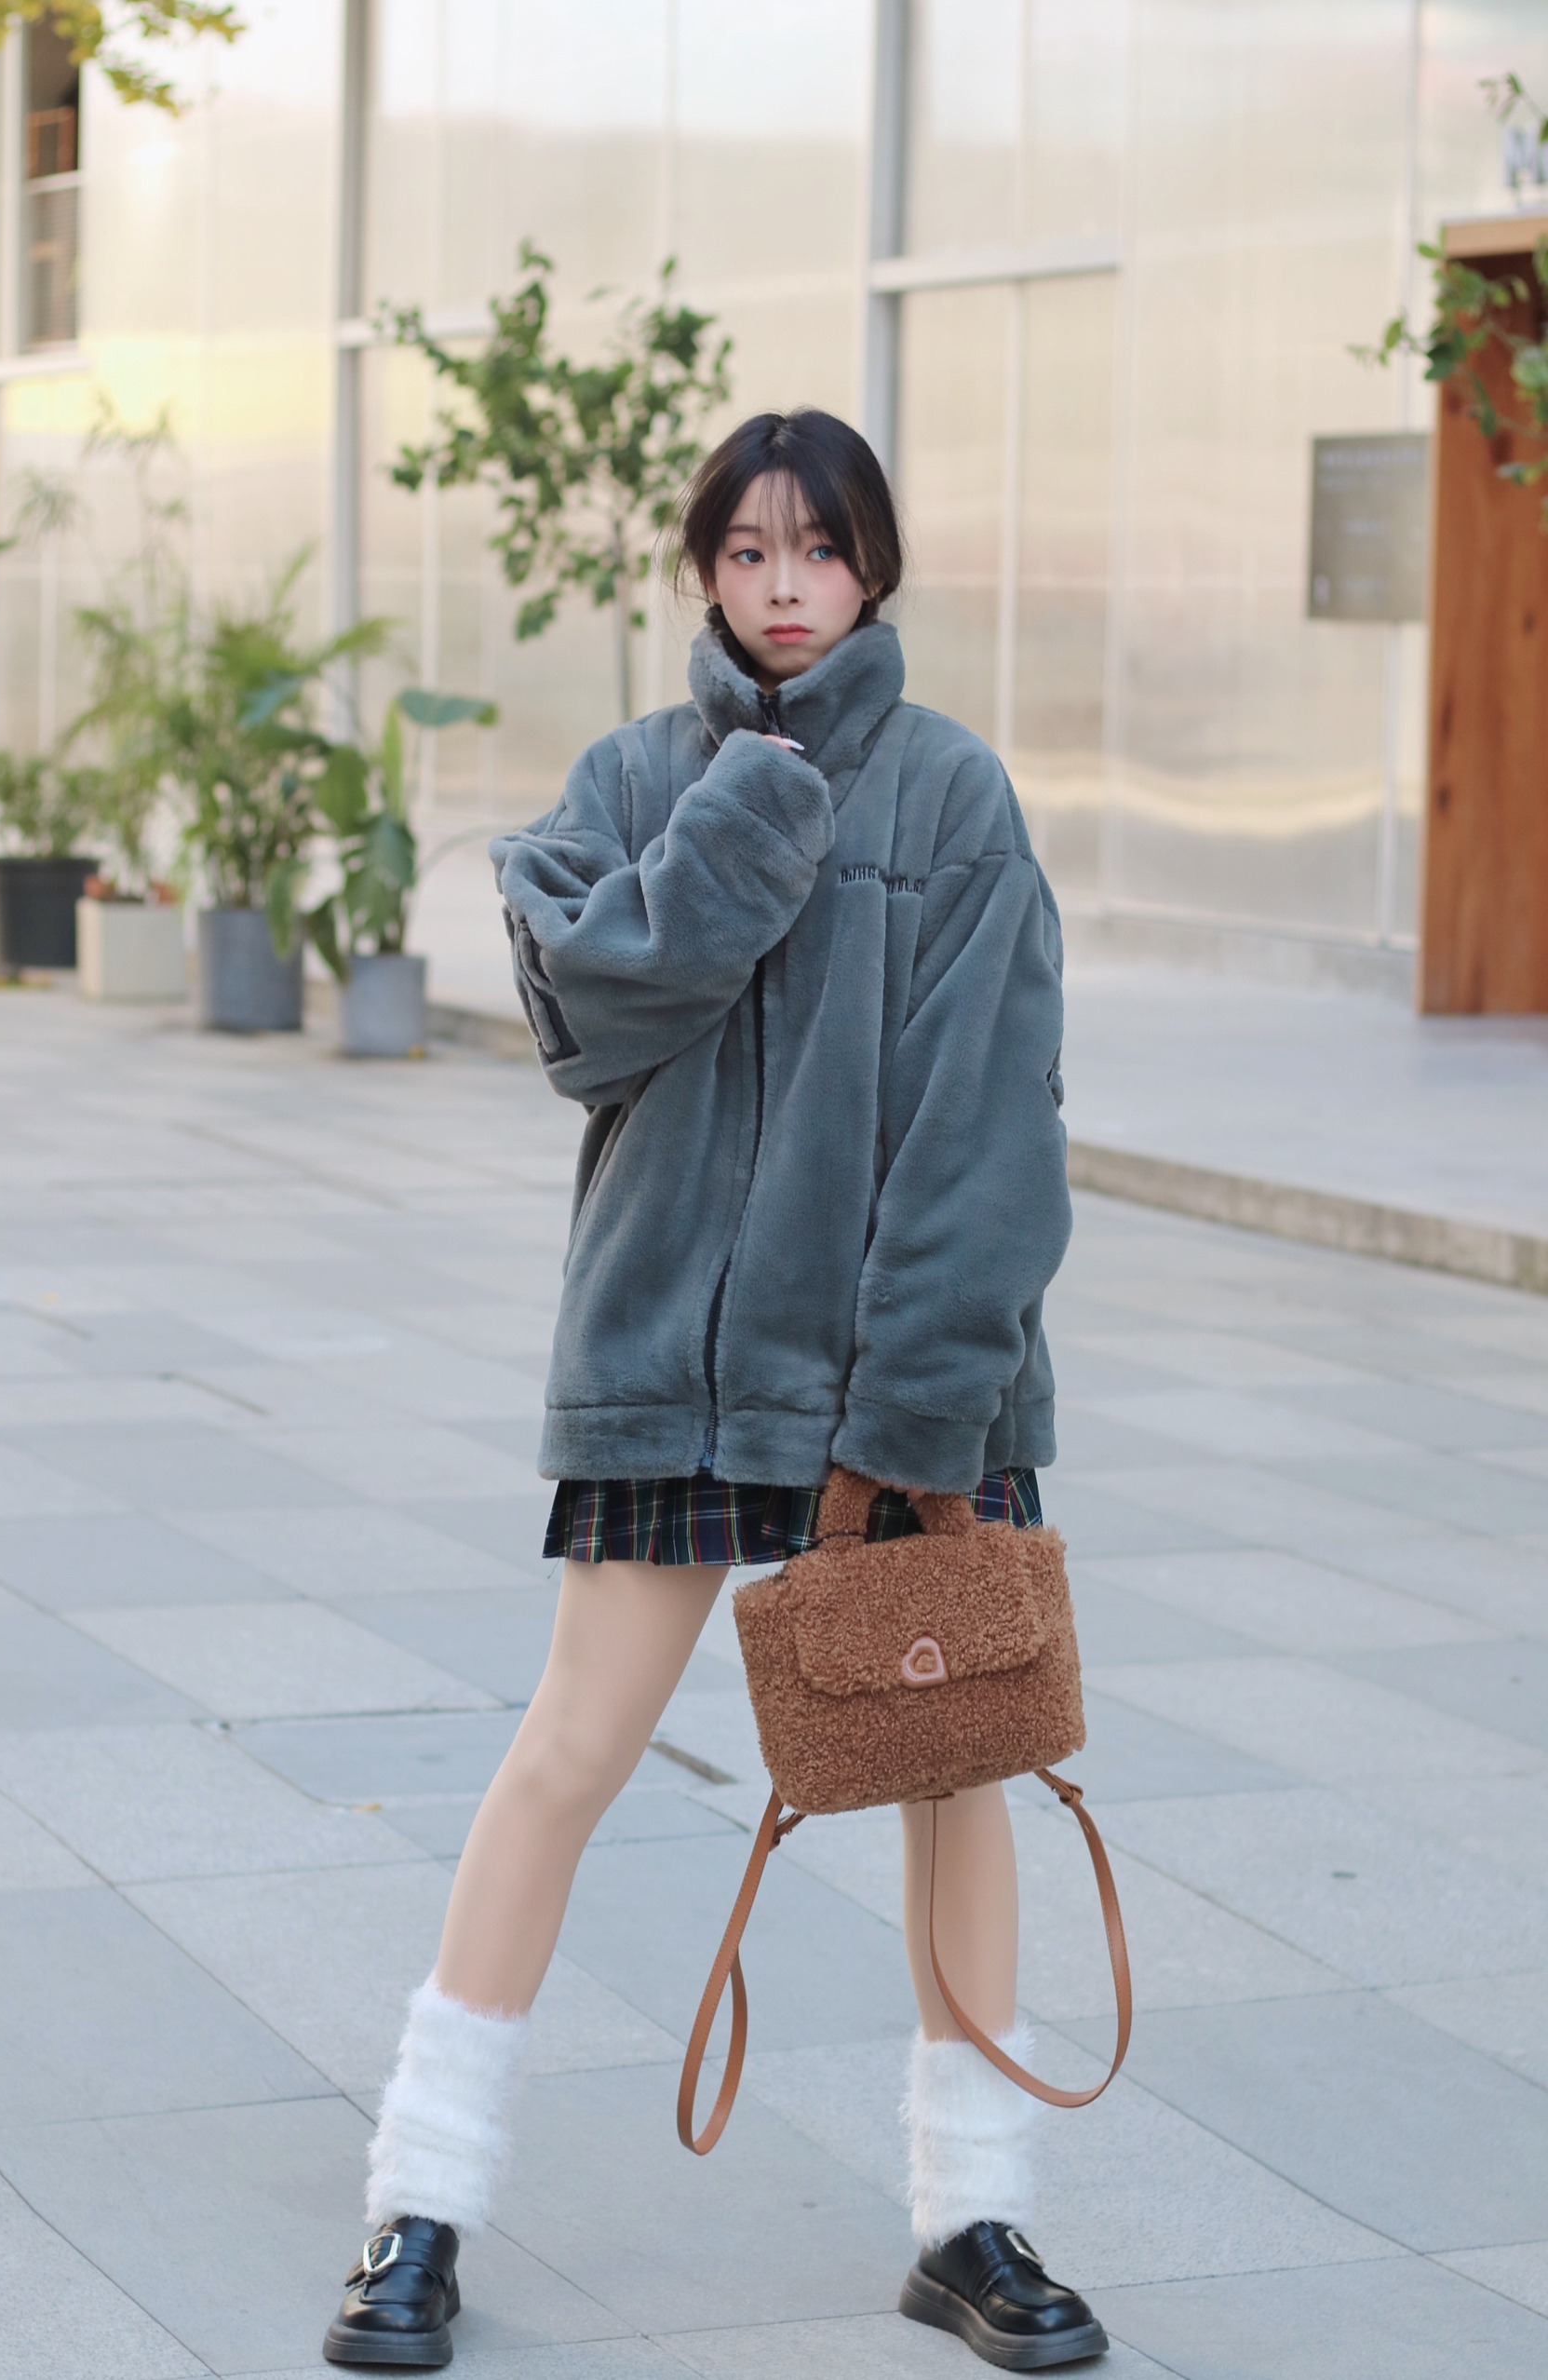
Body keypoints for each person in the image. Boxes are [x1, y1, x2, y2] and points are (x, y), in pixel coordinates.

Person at [322, 408, 1102, 2372]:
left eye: (817, 549)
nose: (782, 585)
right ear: (702, 570)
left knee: (954, 1777)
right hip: (671, 1358)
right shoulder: (636, 780)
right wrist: (753, 808)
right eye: (746, 550)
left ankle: (975, 2218)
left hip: (899, 1382)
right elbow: (588, 1023)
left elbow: (993, 1128)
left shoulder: (956, 793)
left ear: (873, 567)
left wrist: (913, 1420)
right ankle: (420, 2200)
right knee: (569, 1753)